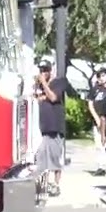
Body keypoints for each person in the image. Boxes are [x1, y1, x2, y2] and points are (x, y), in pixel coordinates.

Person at [33, 60, 70, 197]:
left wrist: (44, 83)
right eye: (41, 70)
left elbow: (53, 97)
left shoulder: (59, 82)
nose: (43, 73)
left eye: (46, 70)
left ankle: (56, 184)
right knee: (42, 157)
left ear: (50, 70)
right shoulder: (39, 85)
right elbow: (36, 98)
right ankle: (44, 184)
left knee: (55, 157)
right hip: (43, 127)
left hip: (55, 126)